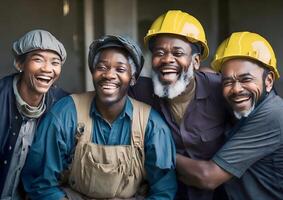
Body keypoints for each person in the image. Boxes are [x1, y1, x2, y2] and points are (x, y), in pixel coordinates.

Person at [21, 35, 177, 200]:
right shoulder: (66, 112)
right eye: (102, 67)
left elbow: (163, 191)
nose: (109, 75)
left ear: (132, 78)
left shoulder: (151, 124)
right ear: (93, 72)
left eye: (120, 69)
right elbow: (40, 183)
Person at [129, 10, 232, 200]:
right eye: (159, 53)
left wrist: (157, 151)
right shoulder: (139, 91)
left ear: (195, 61)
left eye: (178, 53)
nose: (167, 59)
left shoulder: (221, 91)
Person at [176, 31, 283, 200]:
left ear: (269, 80)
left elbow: (207, 177)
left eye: (246, 79)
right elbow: (209, 76)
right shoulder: (250, 107)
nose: (236, 89)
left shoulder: (273, 115)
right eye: (228, 82)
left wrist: (158, 151)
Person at [0, 29, 68, 199]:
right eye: (38, 59)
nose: (47, 69)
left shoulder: (62, 105)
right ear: (19, 64)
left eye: (55, 62)